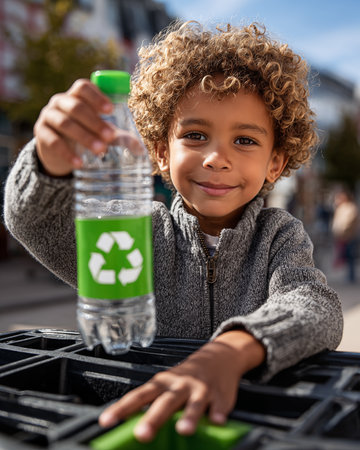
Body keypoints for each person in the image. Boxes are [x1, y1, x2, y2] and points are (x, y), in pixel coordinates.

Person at [4, 21, 343, 443]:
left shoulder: (278, 236)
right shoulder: (137, 231)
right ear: (162, 152)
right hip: (139, 421)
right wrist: (47, 159)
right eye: (196, 135)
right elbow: (34, 222)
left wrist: (231, 351)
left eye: (245, 141)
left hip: (241, 425)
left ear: (275, 162)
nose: (217, 158)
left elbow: (314, 306)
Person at [332, 188, 359, 282]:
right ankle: (349, 275)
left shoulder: (351, 207)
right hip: (341, 235)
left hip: (348, 235)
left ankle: (351, 276)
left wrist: (345, 233)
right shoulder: (340, 208)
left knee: (350, 255)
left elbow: (350, 223)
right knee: (345, 255)